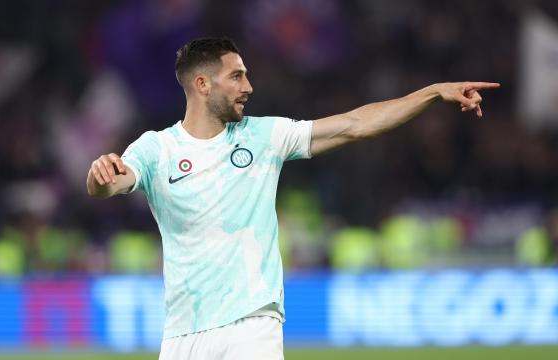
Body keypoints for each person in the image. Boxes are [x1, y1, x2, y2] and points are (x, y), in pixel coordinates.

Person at [86, 37, 499, 359]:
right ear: (202, 84)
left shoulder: (264, 136)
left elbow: (353, 125)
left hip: (252, 325)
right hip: (182, 332)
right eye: (236, 76)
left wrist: (430, 93)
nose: (248, 86)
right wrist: (100, 174)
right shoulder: (157, 149)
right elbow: (113, 183)